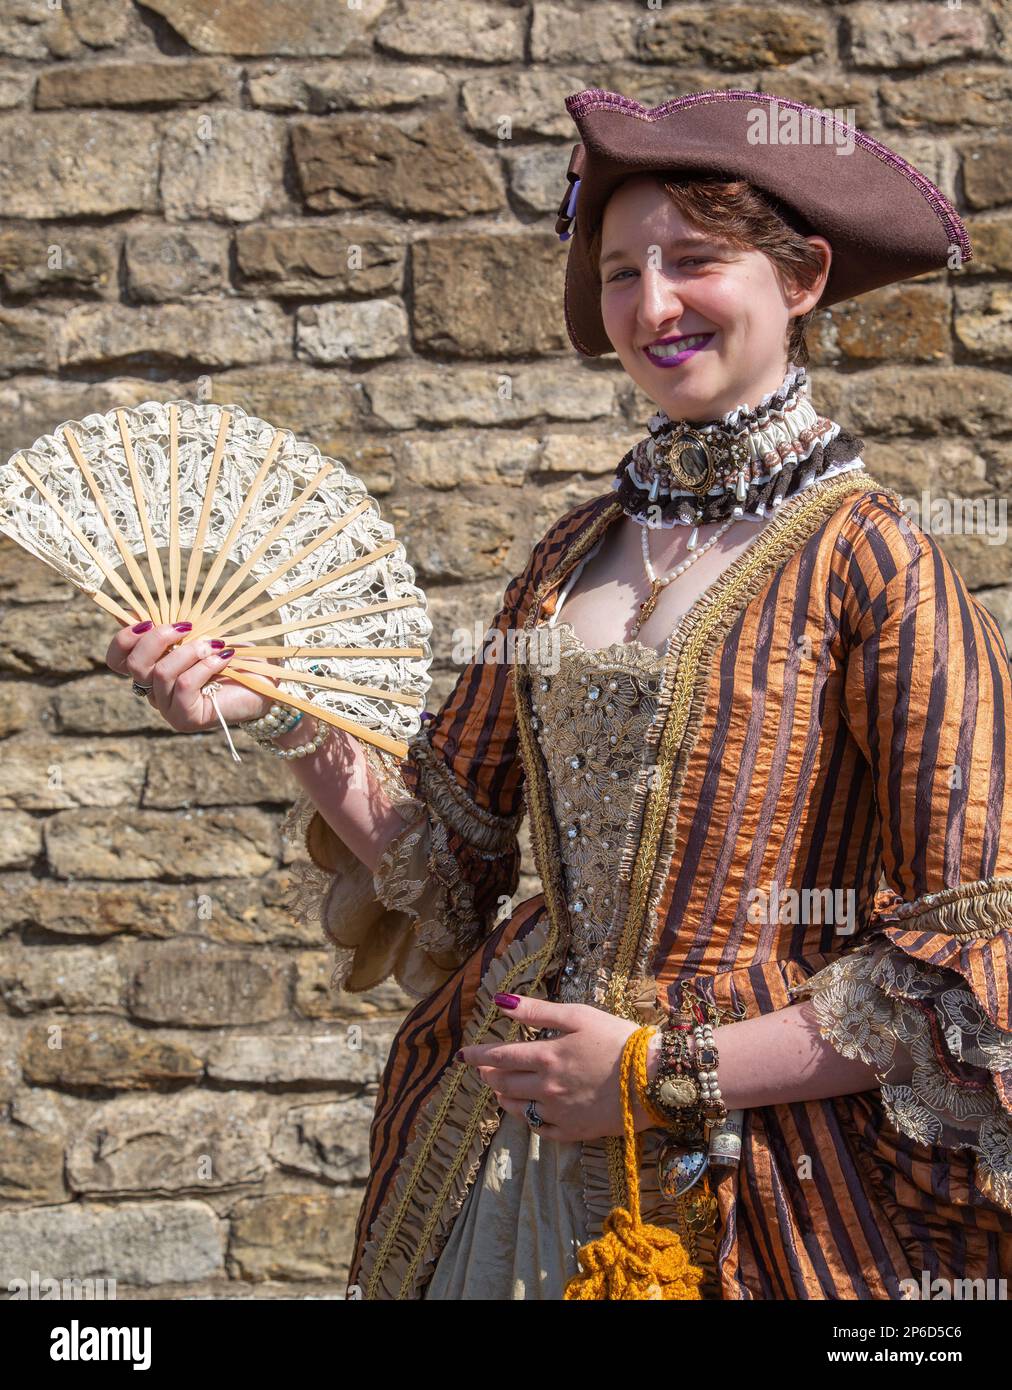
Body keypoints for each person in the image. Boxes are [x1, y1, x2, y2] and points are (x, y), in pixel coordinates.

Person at [106, 88, 1012, 1301]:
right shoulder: (570, 550)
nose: (651, 305)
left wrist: (662, 1069)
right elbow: (443, 850)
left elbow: (974, 944)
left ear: (800, 281)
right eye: (621, 271)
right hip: (505, 1136)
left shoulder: (873, 558)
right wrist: (271, 708)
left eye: (694, 261)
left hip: (754, 1161)